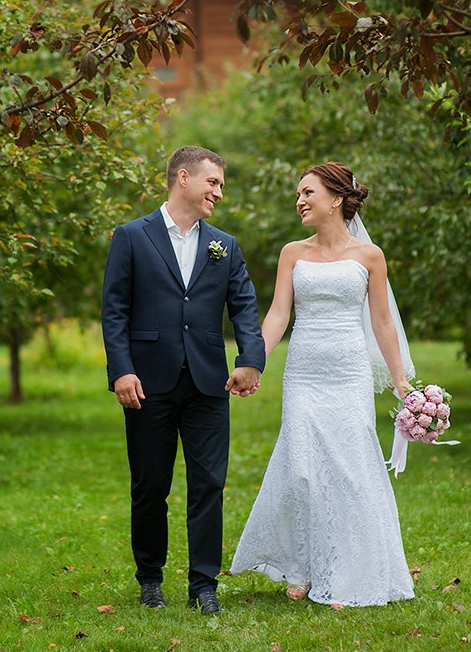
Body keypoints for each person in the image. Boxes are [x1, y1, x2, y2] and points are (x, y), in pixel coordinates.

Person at [229, 161, 417, 607]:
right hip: (304, 375)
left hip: (348, 373)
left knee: (351, 470)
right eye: (298, 194)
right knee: (302, 470)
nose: (299, 201)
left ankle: (348, 571)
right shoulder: (292, 253)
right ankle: (302, 568)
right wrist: (253, 362)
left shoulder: (370, 257)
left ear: (336, 199)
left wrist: (400, 380)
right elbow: (277, 315)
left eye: (307, 193)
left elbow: (383, 321)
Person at [101, 145, 267, 615]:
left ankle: (203, 584)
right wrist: (122, 370)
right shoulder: (132, 236)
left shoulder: (225, 245)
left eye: (220, 184)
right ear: (183, 177)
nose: (219, 191)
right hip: (147, 382)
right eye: (212, 182)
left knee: (209, 483)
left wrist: (250, 358)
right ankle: (150, 579)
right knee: (151, 485)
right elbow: (114, 312)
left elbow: (244, 307)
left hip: (207, 382)